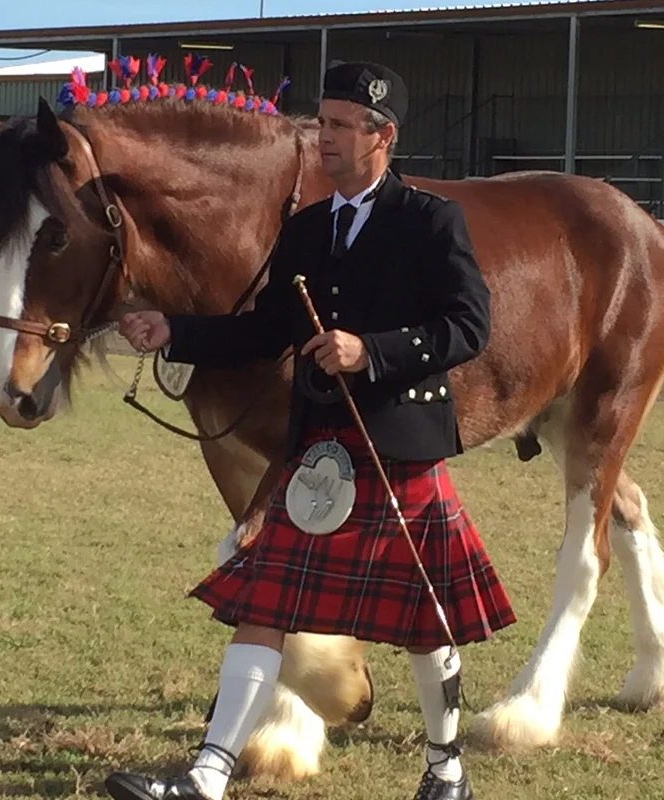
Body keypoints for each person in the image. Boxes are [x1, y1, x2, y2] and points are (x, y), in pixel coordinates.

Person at [106, 61, 515, 800]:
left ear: (381, 135)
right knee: (263, 605)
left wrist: (372, 351)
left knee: (422, 619)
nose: (320, 136)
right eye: (318, 122)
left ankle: (445, 769)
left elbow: (469, 326)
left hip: (398, 444)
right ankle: (207, 776)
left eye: (337, 125)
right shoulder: (304, 230)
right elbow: (264, 330)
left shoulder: (429, 222)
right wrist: (174, 330)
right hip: (319, 448)